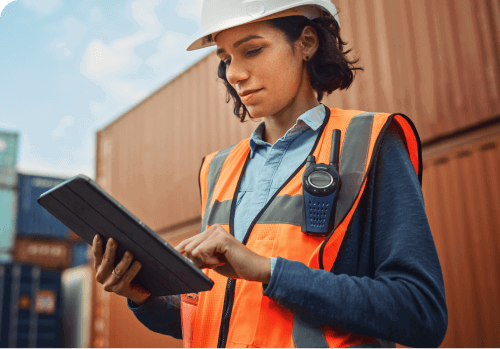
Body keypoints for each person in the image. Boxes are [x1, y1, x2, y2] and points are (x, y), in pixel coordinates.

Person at [91, 1, 448, 348]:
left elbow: (422, 313)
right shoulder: (218, 169)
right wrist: (144, 297)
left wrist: (269, 271)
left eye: (253, 50)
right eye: (226, 59)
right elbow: (223, 319)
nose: (233, 73)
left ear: (306, 43)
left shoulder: (370, 144)